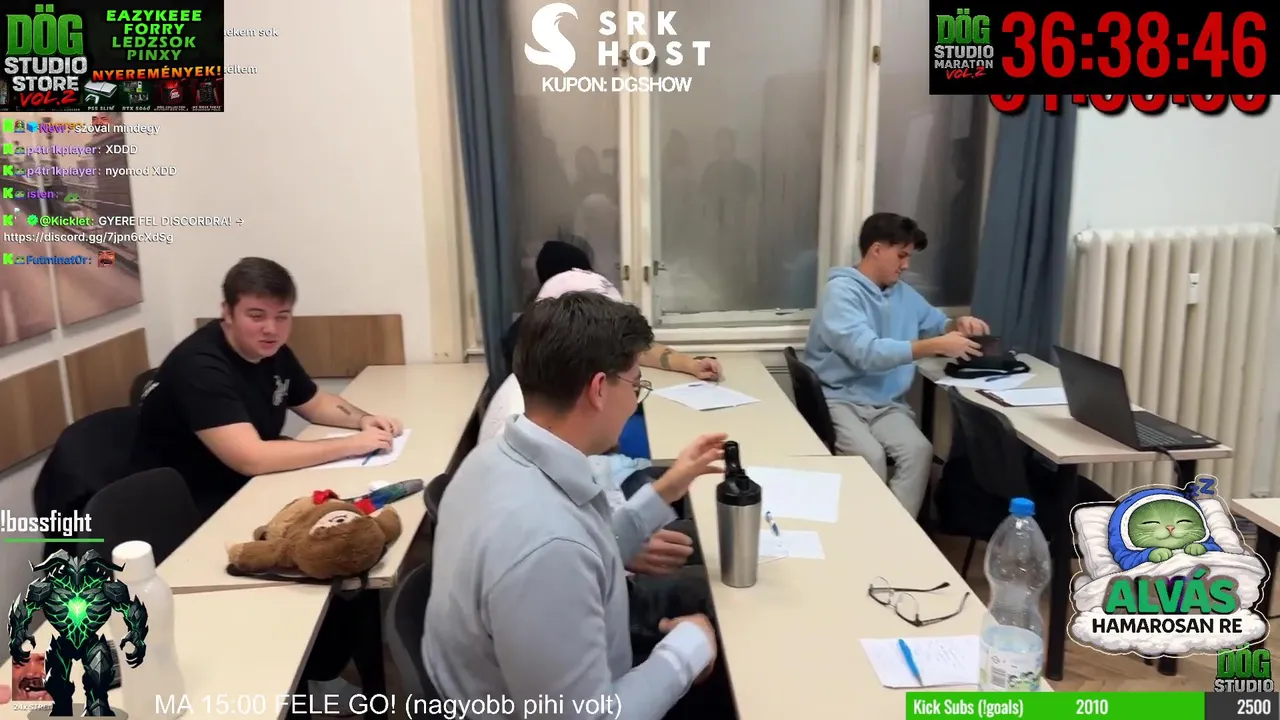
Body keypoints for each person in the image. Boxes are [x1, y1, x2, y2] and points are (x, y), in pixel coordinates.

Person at [424, 292, 734, 720]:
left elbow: (587, 544)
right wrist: (687, 651)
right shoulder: (547, 550)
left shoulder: (494, 458)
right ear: (599, 389)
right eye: (637, 385)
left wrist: (665, 490)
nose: (636, 400)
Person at [131, 257, 404, 519]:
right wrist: (350, 445)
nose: (271, 329)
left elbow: (316, 403)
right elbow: (251, 458)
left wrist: (363, 420)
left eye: (282, 316)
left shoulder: (270, 350)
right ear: (227, 312)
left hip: (244, 485)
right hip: (187, 505)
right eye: (256, 316)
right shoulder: (199, 366)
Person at [804, 213, 990, 517]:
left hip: (886, 403)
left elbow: (937, 323)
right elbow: (867, 353)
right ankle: (865, 533)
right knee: (869, 456)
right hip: (839, 400)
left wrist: (958, 324)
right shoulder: (840, 294)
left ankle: (895, 532)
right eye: (901, 255)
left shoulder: (902, 293)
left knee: (919, 451)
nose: (906, 265)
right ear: (876, 250)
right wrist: (934, 345)